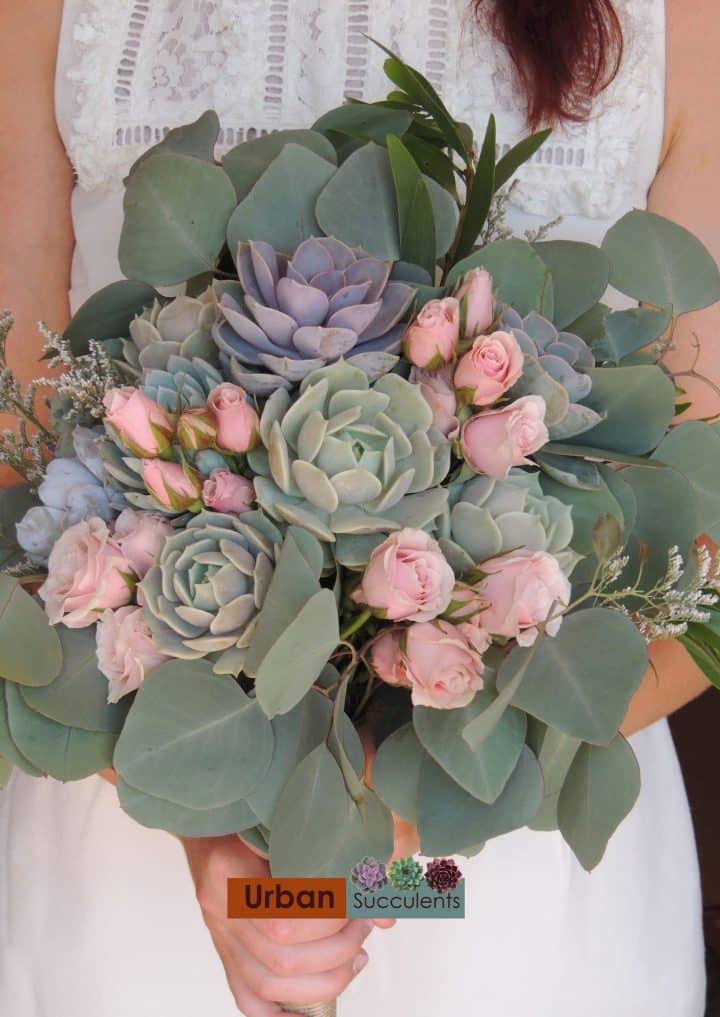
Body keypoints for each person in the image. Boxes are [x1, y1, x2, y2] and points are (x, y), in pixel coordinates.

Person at [0, 1, 717, 1014]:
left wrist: (350, 851)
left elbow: (704, 533)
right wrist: (222, 834)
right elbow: (15, 468)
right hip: (134, 844)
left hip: (515, 871)